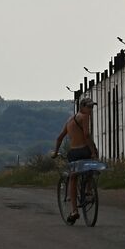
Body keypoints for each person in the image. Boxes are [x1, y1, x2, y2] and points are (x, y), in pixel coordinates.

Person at [53, 95, 99, 224]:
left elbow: (59, 138)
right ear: (82, 107)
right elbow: (86, 134)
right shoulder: (84, 117)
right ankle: (89, 190)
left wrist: (55, 152)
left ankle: (74, 211)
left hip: (73, 152)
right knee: (91, 165)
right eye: (89, 107)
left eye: (92, 107)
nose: (91, 109)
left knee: (73, 178)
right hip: (84, 149)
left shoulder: (69, 121)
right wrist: (93, 151)